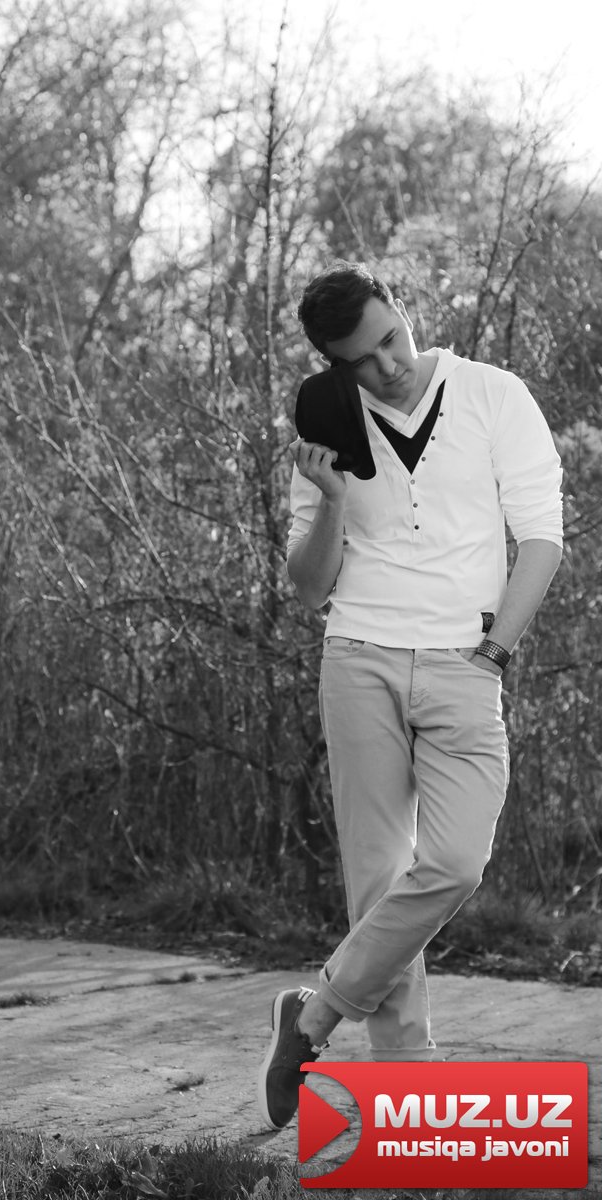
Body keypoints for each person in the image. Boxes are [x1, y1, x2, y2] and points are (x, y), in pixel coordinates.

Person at [257, 260, 564, 1131]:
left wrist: (494, 652)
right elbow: (308, 588)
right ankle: (408, 1091)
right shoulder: (326, 425)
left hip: (467, 659)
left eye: (390, 340)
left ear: (401, 305)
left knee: (456, 862)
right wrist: (330, 500)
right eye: (361, 358)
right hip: (358, 657)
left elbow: (542, 539)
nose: (386, 366)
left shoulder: (494, 395)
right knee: (379, 874)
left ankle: (312, 1016)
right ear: (333, 362)